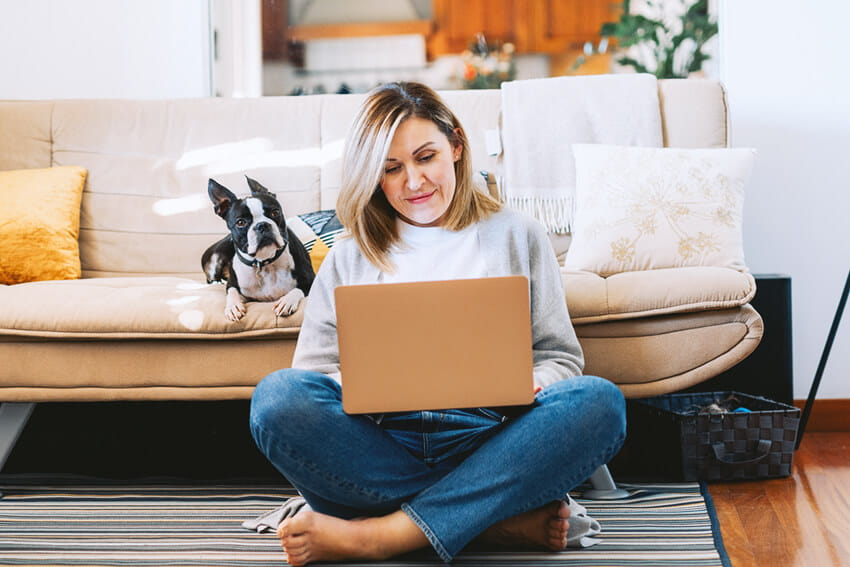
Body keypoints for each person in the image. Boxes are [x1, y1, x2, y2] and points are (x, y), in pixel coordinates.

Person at [249, 81, 626, 566]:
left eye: (425, 157)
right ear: (375, 178)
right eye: (391, 169)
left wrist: (535, 380)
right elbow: (311, 378)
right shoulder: (348, 257)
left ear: (456, 146)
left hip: (493, 438)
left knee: (599, 403)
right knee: (276, 399)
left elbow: (560, 357)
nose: (413, 182)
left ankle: (380, 535)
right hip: (380, 442)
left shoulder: (519, 236)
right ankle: (491, 523)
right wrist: (361, 384)